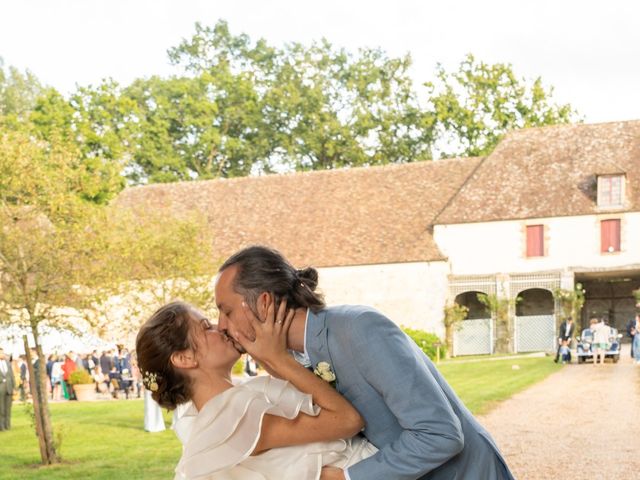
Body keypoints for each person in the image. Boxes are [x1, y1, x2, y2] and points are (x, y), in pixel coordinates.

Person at [214, 245, 514, 480]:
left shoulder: (359, 328)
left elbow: (440, 435)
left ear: (264, 302)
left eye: (226, 311)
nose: (221, 325)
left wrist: (349, 477)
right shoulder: (285, 360)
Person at [136, 300, 374, 479]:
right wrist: (277, 358)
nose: (221, 327)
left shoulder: (225, 406)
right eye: (206, 327)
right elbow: (348, 420)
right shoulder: (231, 417)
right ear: (185, 358)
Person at [0, 347, 15, 431]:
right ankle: (1, 426)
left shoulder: (8, 363)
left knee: (8, 408)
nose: (2, 354)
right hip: (1, 387)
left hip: (9, 387)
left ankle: (7, 425)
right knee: (1, 408)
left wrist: (14, 386)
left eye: (3, 352)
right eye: (1, 353)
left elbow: (11, 375)